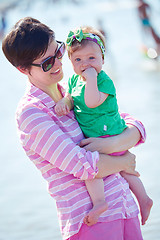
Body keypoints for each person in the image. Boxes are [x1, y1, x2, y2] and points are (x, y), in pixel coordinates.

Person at [2, 17, 148, 240]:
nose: (59, 63)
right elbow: (83, 165)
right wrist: (124, 161)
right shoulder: (31, 114)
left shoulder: (73, 91)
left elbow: (130, 123)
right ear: (23, 69)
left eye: (59, 51)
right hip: (91, 223)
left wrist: (111, 143)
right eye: (47, 62)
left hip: (125, 206)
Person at [54, 26, 153, 226]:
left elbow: (91, 101)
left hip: (109, 135)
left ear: (102, 59)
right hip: (97, 136)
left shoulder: (103, 81)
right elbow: (72, 97)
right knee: (119, 169)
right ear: (71, 63)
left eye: (91, 58)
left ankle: (105, 202)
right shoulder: (74, 80)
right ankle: (143, 199)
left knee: (98, 169)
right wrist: (65, 102)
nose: (85, 64)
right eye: (78, 60)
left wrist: (91, 78)